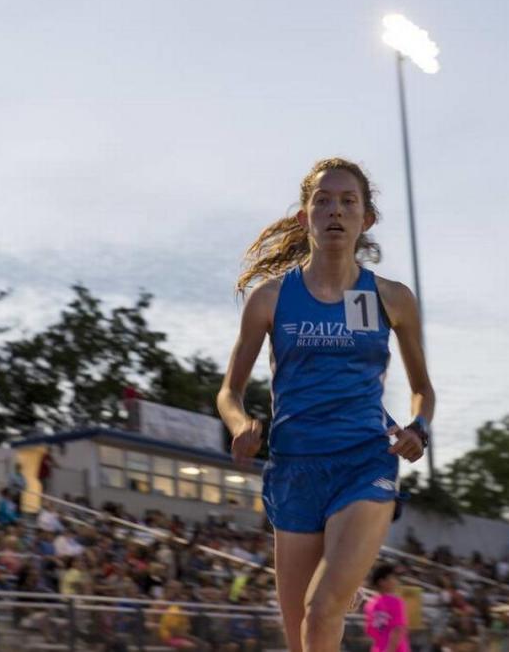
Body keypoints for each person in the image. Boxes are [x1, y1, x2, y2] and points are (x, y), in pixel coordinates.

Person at [216, 158, 435, 652]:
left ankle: (340, 590)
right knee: (302, 640)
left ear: (366, 220)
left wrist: (419, 427)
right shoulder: (269, 300)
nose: (335, 210)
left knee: (321, 613)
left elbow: (424, 388)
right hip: (294, 470)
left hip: (364, 461)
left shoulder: (391, 298)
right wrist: (240, 422)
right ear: (304, 216)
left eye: (348, 201)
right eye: (323, 201)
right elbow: (229, 391)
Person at [363, 564, 410, 652]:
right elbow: (398, 629)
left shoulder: (370, 604)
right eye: (393, 578)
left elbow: (370, 631)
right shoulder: (396, 602)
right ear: (382, 582)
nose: (396, 581)